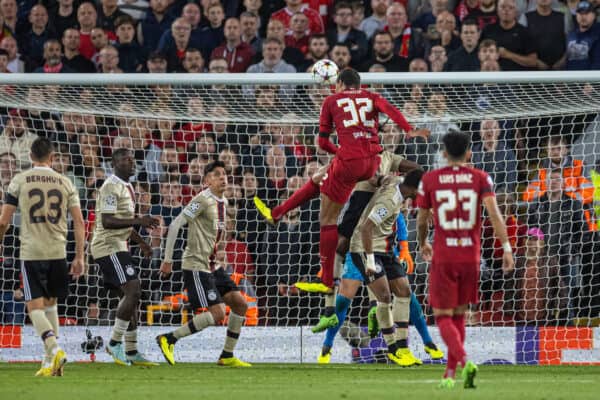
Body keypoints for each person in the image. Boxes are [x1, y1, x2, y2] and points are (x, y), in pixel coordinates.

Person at [256, 68, 429, 332]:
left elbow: (322, 141)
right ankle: (277, 212)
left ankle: (327, 282)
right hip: (370, 164)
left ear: (339, 84)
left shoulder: (330, 101)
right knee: (318, 178)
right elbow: (390, 109)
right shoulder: (371, 97)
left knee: (328, 221)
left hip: (354, 174)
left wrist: (342, 152)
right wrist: (409, 129)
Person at [416, 130, 514, 389]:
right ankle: (450, 374)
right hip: (471, 256)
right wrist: (506, 248)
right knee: (459, 313)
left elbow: (422, 218)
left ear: (444, 153)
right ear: (469, 152)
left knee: (442, 315)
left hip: (445, 255)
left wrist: (422, 241)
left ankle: (465, 361)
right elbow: (495, 215)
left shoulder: (430, 179)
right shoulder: (481, 178)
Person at [317, 170, 425, 367]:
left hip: (385, 249)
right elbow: (366, 228)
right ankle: (393, 349)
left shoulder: (398, 187)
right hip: (365, 249)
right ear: (414, 188)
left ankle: (403, 348)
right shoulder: (389, 201)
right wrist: (369, 260)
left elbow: (380, 177)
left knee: (404, 291)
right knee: (383, 296)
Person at [0, 137, 86, 377]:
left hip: (32, 251)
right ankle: (52, 364)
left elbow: (4, 221)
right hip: (58, 252)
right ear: (52, 157)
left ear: (30, 156)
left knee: (34, 307)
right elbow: (79, 221)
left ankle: (54, 347)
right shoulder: (65, 182)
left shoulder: (20, 180)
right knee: (51, 305)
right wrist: (80, 256)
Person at [156, 161, 251, 367]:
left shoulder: (223, 202)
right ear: (207, 180)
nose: (222, 177)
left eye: (224, 174)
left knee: (240, 304)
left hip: (213, 265)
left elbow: (215, 234)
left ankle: (227, 355)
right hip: (196, 265)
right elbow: (175, 225)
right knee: (217, 313)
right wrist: (167, 259)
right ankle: (169, 338)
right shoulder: (201, 200)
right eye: (216, 174)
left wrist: (220, 250)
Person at [91, 148, 160, 366]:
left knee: (130, 298)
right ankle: (114, 343)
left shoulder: (127, 186)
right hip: (107, 245)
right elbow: (108, 221)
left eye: (132, 159)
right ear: (114, 164)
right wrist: (140, 220)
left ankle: (131, 352)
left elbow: (124, 221)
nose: (131, 162)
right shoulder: (111, 186)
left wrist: (141, 243)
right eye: (125, 160)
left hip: (119, 245)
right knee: (133, 289)